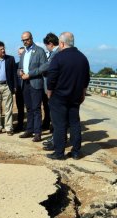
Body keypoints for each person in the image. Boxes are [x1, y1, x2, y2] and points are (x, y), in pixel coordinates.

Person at [46, 32, 90, 160]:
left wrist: (49, 93)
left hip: (59, 96)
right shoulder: (83, 58)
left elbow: (51, 78)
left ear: (62, 43)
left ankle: (59, 153)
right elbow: (86, 79)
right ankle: (76, 152)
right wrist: (82, 94)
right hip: (75, 96)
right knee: (75, 123)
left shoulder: (58, 58)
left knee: (59, 125)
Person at [18, 31, 48, 142]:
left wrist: (30, 74)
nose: (25, 41)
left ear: (31, 38)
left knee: (36, 109)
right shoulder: (24, 53)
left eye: (26, 39)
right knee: (29, 108)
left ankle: (37, 133)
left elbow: (44, 67)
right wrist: (20, 72)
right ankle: (29, 130)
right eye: (23, 40)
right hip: (25, 84)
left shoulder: (39, 51)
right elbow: (19, 67)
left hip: (35, 83)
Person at [41, 33, 60, 149]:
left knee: (56, 117)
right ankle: (54, 137)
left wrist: (35, 70)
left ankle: (56, 140)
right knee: (54, 116)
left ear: (50, 44)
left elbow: (48, 66)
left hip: (54, 89)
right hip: (53, 88)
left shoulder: (55, 54)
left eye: (46, 46)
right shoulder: (55, 53)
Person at [14, 47, 25, 132]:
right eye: (20, 53)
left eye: (22, 53)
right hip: (19, 90)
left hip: (28, 89)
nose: (21, 55)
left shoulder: (29, 64)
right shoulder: (15, 65)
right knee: (20, 109)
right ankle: (20, 125)